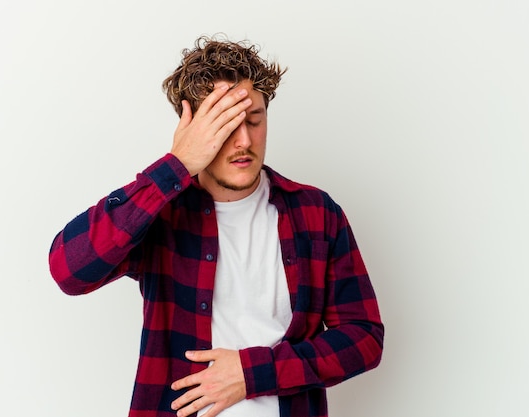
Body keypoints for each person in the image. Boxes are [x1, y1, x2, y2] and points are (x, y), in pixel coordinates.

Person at [49, 35, 384, 417]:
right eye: (225, 124)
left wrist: (252, 372)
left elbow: (364, 338)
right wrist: (176, 165)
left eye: (254, 120)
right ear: (194, 130)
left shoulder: (316, 213)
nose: (244, 140)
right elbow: (68, 270)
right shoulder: (162, 213)